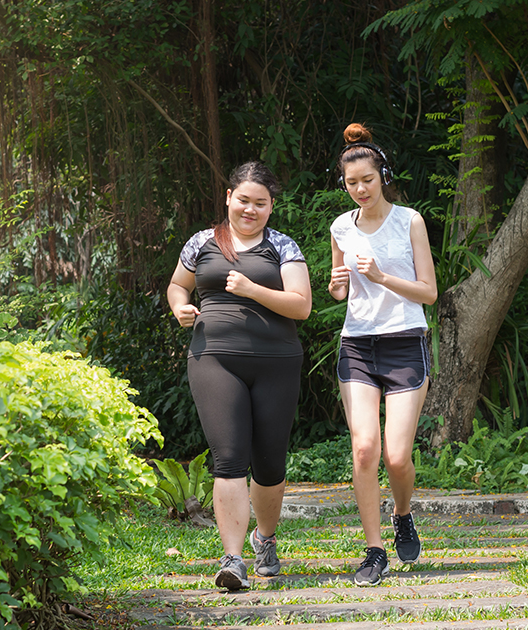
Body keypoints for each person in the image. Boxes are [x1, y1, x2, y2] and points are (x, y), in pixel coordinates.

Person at [167, 161, 312, 590]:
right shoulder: (202, 242)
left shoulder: (283, 246)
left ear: (271, 207)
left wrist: (252, 290)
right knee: (228, 460)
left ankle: (264, 540)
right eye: (243, 200)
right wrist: (179, 307)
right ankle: (233, 560)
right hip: (214, 358)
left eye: (260, 203)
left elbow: (301, 305)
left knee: (269, 464)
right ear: (229, 197)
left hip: (276, 363)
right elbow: (178, 284)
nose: (250, 209)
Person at [327, 123, 438, 587]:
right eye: (351, 184)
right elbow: (339, 288)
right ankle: (374, 551)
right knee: (364, 448)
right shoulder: (339, 227)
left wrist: (383, 276)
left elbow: (429, 293)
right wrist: (338, 286)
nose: (360, 190)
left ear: (382, 175)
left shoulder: (409, 220)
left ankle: (404, 514)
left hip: (405, 342)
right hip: (358, 344)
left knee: (396, 456)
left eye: (367, 181)